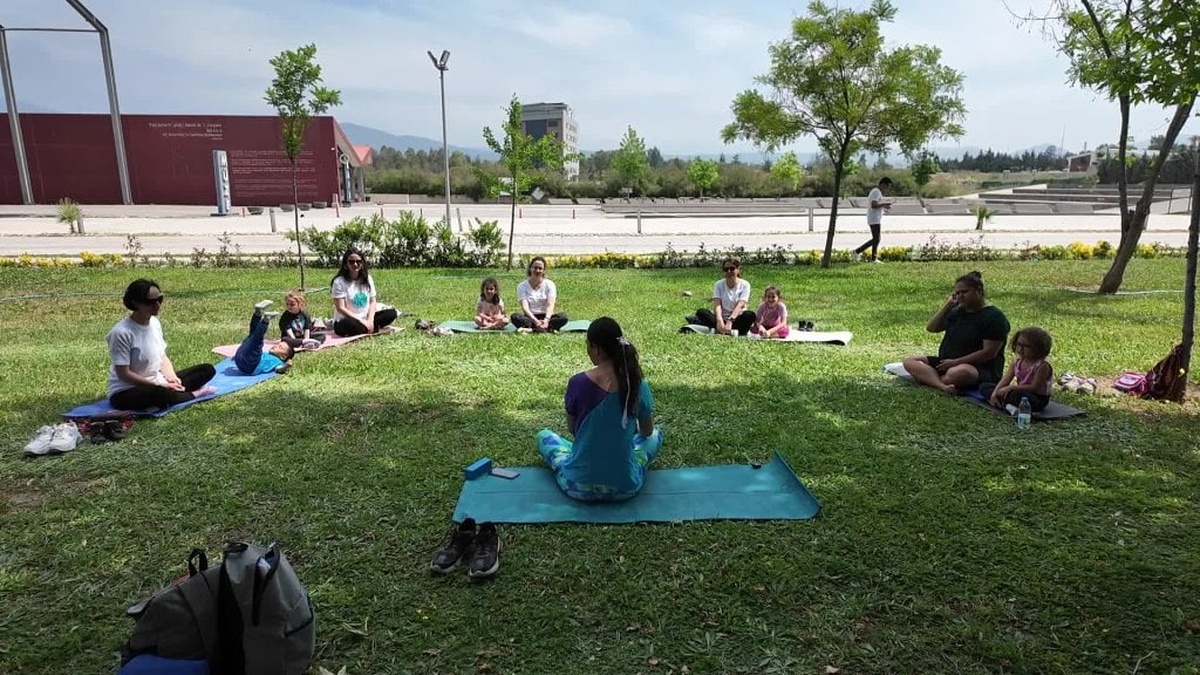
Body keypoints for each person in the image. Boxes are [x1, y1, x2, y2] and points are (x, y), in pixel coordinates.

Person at [535, 317, 663, 502]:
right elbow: (647, 431)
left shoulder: (577, 382)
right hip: (625, 487)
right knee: (656, 435)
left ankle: (583, 456)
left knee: (544, 436)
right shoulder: (637, 383)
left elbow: (573, 430)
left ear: (596, 348)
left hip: (577, 486)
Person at [107, 278, 216, 411]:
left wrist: (171, 377)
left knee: (207, 370)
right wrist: (159, 386)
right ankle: (192, 395)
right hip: (128, 390)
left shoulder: (154, 323)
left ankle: (173, 393)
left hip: (158, 381)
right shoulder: (121, 333)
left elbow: (162, 356)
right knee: (159, 394)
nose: (157, 305)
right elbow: (124, 374)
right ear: (135, 303)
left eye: (160, 299)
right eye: (150, 302)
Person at [902, 271, 1011, 394]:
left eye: (964, 292)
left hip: (977, 368)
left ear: (978, 291)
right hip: (947, 362)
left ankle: (930, 379)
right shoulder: (957, 312)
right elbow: (932, 328)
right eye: (957, 293)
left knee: (959, 373)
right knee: (910, 362)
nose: (960, 296)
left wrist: (955, 362)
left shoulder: (994, 317)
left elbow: (989, 353)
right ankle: (942, 385)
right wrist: (948, 304)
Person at [331, 247, 398, 337]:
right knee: (348, 324)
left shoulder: (368, 279)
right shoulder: (339, 282)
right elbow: (341, 308)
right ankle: (370, 328)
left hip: (366, 318)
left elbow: (372, 301)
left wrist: (370, 320)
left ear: (362, 264)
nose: (355, 264)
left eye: (358, 261)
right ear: (345, 264)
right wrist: (361, 320)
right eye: (351, 262)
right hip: (348, 319)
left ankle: (367, 328)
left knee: (392, 313)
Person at [985, 327, 1054, 412]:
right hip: (1017, 391)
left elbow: (1034, 387)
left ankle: (1006, 404)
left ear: (1038, 348)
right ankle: (1004, 403)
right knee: (985, 387)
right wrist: (995, 393)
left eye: (1027, 346)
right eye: (1019, 344)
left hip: (1035, 397)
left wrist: (1011, 388)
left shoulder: (1042, 366)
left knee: (1016, 395)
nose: (1021, 349)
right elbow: (1006, 379)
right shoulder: (1017, 362)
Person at [689, 257, 756, 335]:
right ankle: (727, 330)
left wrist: (730, 321)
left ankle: (720, 330)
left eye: (732, 268)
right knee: (701, 312)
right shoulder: (719, 284)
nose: (729, 271)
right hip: (722, 318)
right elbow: (717, 304)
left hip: (737, 319)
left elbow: (740, 305)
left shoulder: (745, 284)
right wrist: (719, 320)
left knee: (750, 315)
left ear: (738, 269)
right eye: (726, 269)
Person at [233, 301, 295, 375]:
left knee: (257, 341)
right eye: (278, 345)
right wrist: (242, 353)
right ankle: (258, 312)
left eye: (280, 347)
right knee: (252, 334)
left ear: (283, 356)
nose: (276, 346)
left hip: (251, 366)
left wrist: (286, 366)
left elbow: (279, 369)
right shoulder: (266, 354)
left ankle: (265, 320)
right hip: (242, 360)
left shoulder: (278, 362)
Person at [512, 256, 569, 332]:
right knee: (515, 317)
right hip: (530, 317)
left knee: (563, 317)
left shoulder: (550, 284)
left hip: (547, 317)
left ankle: (533, 329)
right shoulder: (522, 286)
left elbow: (550, 305)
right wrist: (535, 321)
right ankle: (546, 328)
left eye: (540, 268)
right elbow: (525, 307)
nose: (537, 270)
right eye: (535, 268)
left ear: (544, 271)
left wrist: (546, 320)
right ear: (530, 269)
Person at [854, 177, 893, 263]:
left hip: (875, 218)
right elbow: (873, 205)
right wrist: (884, 204)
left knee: (876, 238)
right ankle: (858, 252)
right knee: (876, 239)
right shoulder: (876, 192)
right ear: (883, 184)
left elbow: (876, 204)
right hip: (874, 218)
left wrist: (884, 206)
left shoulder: (876, 192)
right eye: (887, 187)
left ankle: (873, 258)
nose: (886, 189)